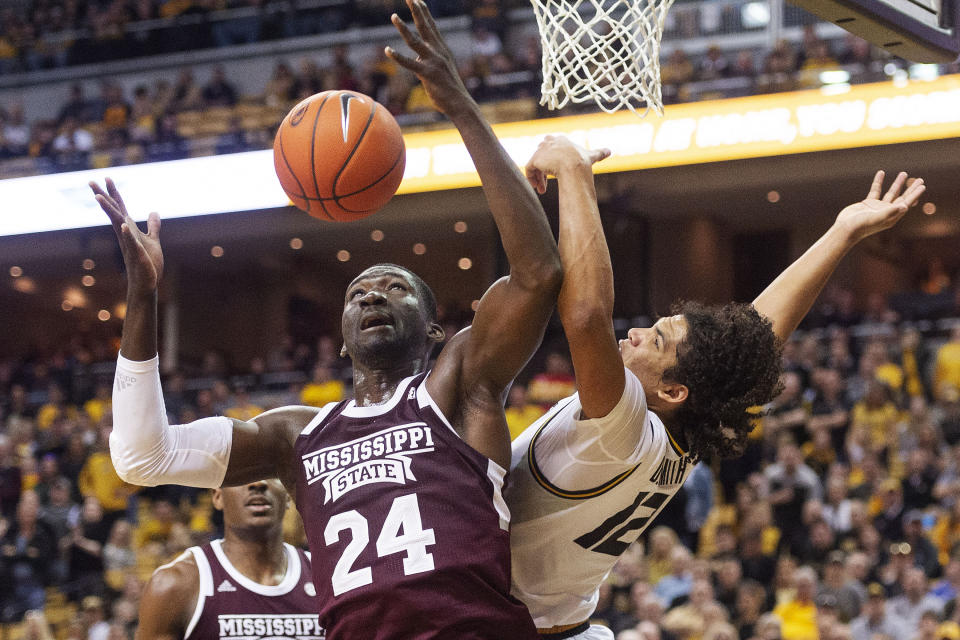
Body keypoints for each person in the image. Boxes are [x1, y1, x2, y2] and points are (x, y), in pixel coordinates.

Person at [91, 0, 559, 637]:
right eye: (356, 295)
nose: (370, 297)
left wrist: (460, 108)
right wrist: (142, 297)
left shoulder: (458, 385)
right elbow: (141, 459)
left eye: (394, 288)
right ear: (339, 344)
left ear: (435, 330)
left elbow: (538, 276)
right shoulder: (297, 435)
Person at [506, 135, 926, 639]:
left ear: (674, 390)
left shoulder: (623, 429)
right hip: (560, 623)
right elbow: (759, 338)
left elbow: (588, 314)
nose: (635, 333)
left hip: (514, 624)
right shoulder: (683, 429)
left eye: (655, 340)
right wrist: (841, 232)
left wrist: (574, 174)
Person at [136, 479, 322, 640]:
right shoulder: (174, 584)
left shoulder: (327, 577)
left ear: (288, 494)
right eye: (242, 476)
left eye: (269, 474)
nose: (258, 484)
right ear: (217, 496)